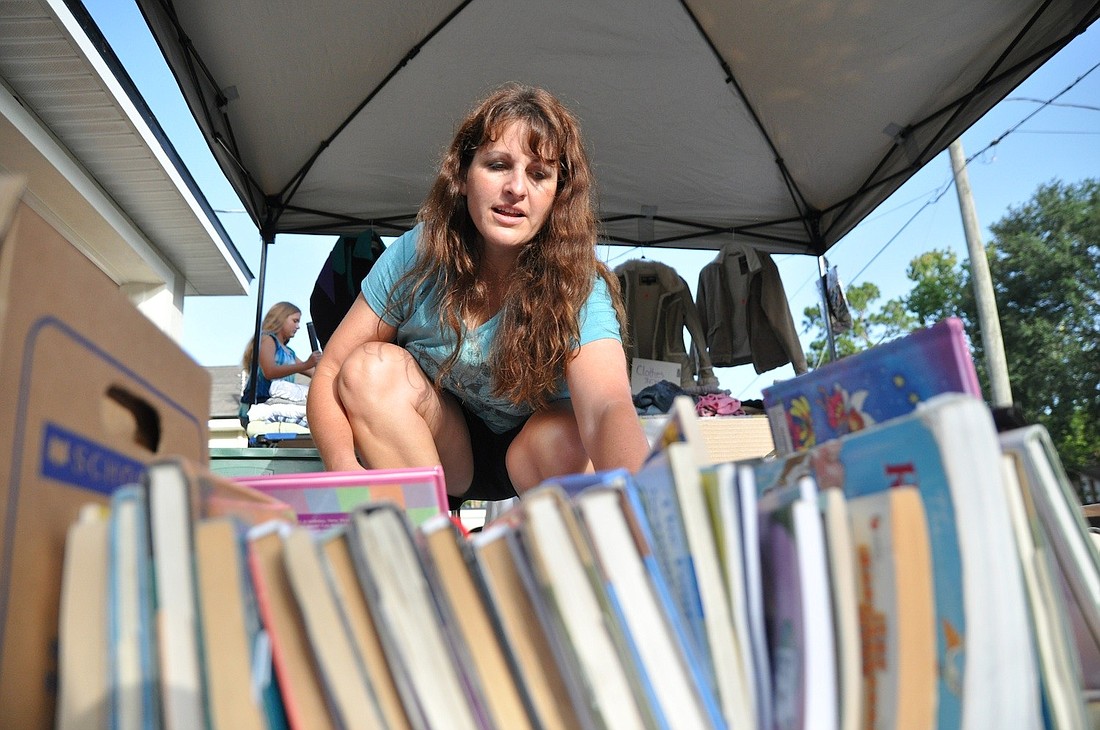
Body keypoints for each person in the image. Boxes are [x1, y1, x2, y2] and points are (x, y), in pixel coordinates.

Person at [307, 83, 650, 507]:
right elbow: (331, 371)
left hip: (536, 455)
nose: (516, 188)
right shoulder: (419, 253)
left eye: (539, 174)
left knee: (567, 437)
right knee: (368, 368)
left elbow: (606, 411)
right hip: (443, 445)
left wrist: (650, 512)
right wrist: (344, 471)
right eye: (498, 165)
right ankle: (432, 539)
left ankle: (574, 555)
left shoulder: (577, 284)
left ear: (558, 195)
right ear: (464, 176)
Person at [239, 301, 322, 424]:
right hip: (259, 404)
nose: (298, 326)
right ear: (281, 319)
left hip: (277, 407)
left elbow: (314, 373)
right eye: (295, 321)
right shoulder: (267, 339)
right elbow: (269, 371)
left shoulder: (289, 352)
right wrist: (305, 364)